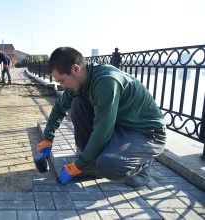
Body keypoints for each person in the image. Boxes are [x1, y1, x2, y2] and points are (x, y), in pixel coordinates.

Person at [37, 47, 166, 187]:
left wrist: (79, 164)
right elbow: (59, 108)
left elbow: (102, 130)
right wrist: (47, 138)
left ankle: (142, 164)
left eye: (62, 80)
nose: (61, 85)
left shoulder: (106, 81)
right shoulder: (78, 83)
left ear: (75, 69)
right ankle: (91, 165)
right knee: (78, 104)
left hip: (145, 131)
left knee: (109, 165)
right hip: (118, 125)